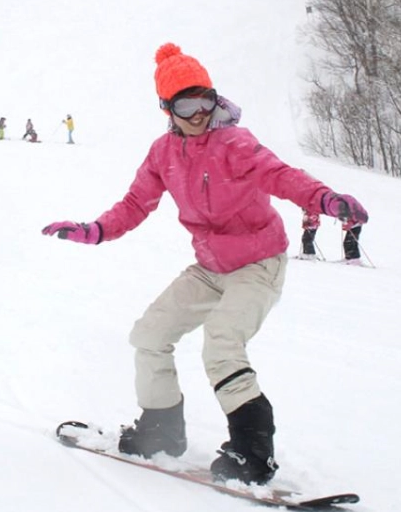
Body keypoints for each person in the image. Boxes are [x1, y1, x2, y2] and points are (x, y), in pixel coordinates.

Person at [41, 43, 369, 485]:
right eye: (185, 105)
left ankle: (253, 451)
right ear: (166, 109)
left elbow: (281, 175)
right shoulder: (163, 153)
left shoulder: (235, 142)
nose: (198, 114)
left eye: (205, 101)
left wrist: (325, 199)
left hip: (258, 264)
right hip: (210, 269)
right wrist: (96, 230)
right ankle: (161, 430)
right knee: (149, 335)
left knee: (221, 343)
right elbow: (136, 203)